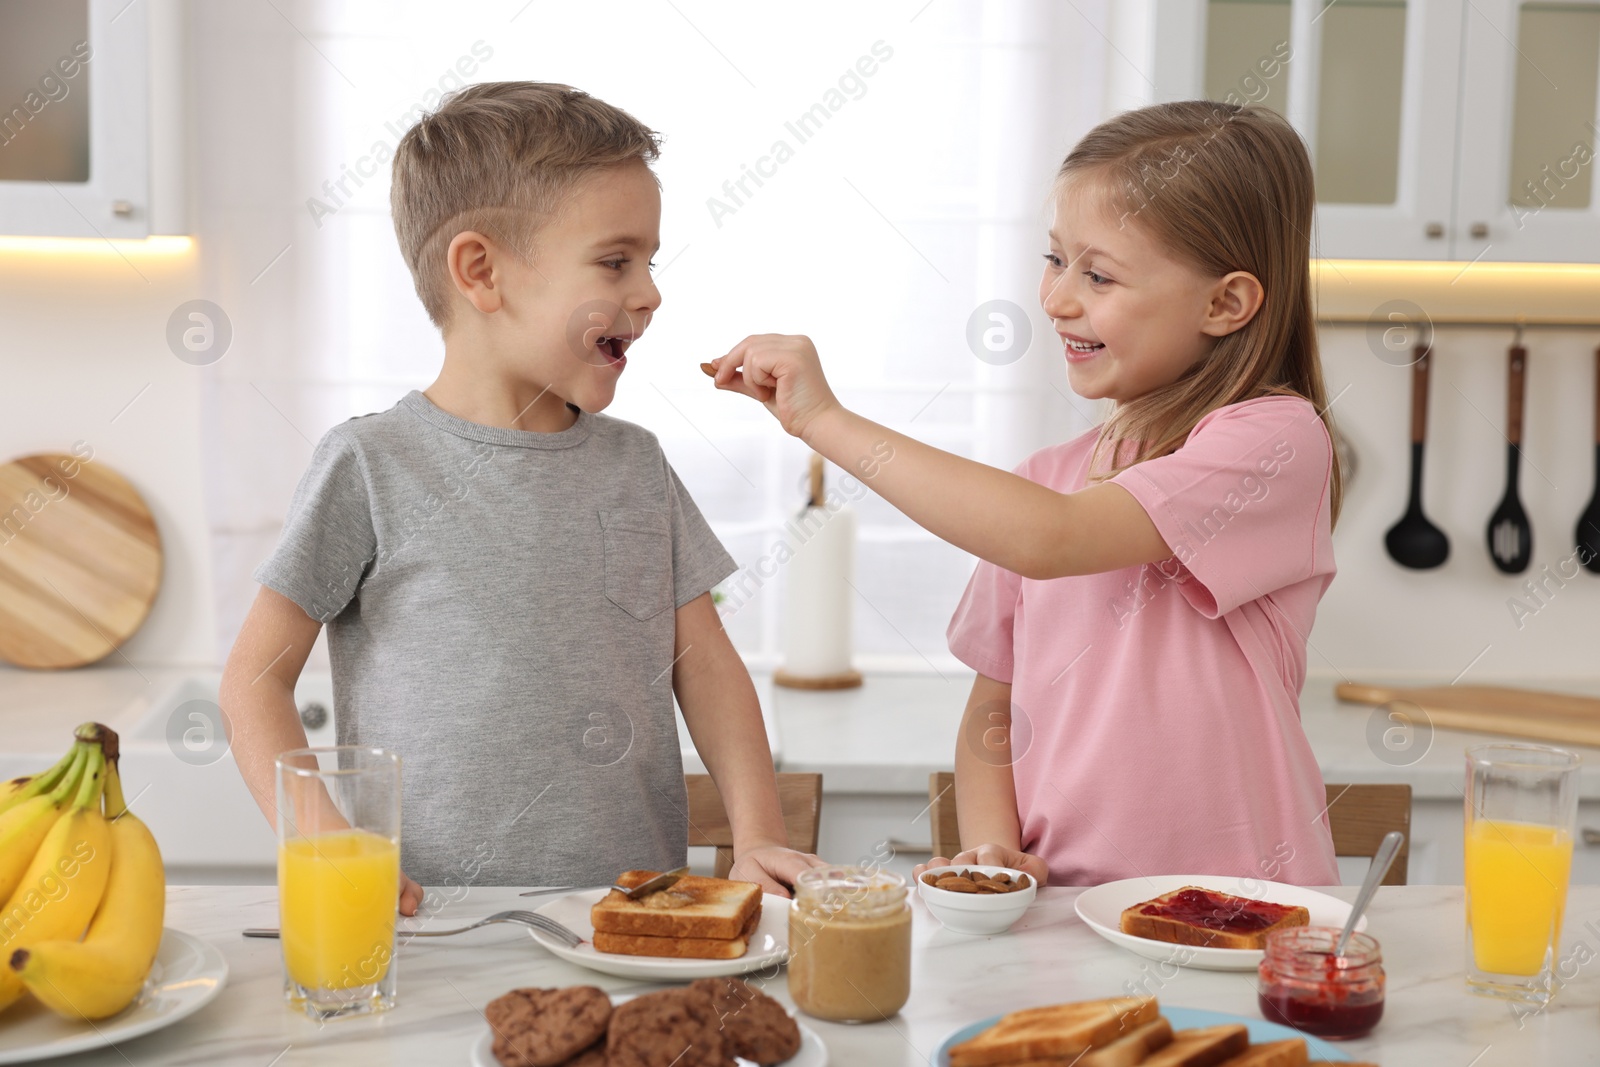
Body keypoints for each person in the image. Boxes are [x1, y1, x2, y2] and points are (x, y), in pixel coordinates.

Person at [222, 82, 825, 914]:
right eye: (616, 261)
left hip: (628, 920)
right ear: (482, 272)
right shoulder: (371, 463)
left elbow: (709, 667)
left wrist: (755, 837)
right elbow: (253, 680)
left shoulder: (636, 467)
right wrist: (322, 837)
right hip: (425, 923)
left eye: (651, 260)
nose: (649, 292)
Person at [708, 101, 1344, 887]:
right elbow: (993, 710)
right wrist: (991, 844)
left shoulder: (1274, 441)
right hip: (1062, 913)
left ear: (1226, 303)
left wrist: (824, 421)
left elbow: (1054, 539)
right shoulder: (1043, 481)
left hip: (1245, 911)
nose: (1056, 299)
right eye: (1055, 260)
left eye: (1098, 274)